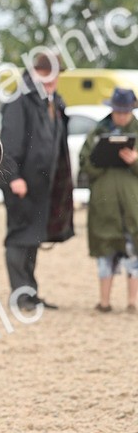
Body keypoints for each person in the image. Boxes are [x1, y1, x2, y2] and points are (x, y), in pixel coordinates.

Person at [0, 51, 74, 311]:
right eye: (46, 73)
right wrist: (14, 178)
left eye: (55, 74)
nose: (51, 79)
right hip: (21, 184)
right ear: (35, 73)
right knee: (20, 238)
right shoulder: (20, 101)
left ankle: (30, 292)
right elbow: (8, 144)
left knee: (33, 238)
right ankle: (20, 296)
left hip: (44, 186)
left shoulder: (53, 101)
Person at [78, 87, 138, 313]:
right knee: (105, 252)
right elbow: (85, 164)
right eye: (117, 111)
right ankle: (104, 302)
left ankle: (133, 302)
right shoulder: (97, 132)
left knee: (134, 251)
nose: (121, 116)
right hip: (104, 204)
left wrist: (134, 161)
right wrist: (99, 159)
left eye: (125, 111)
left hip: (133, 205)